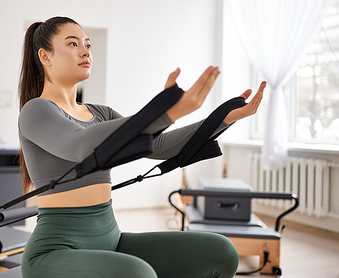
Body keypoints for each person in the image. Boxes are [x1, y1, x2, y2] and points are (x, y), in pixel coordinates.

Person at [18, 16, 266, 278]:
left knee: (221, 252)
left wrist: (224, 118)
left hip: (111, 239)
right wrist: (166, 110)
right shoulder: (36, 110)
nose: (85, 51)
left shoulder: (101, 113)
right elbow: (80, 145)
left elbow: (158, 145)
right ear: (45, 57)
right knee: (138, 274)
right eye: (72, 44)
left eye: (88, 45)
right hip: (54, 253)